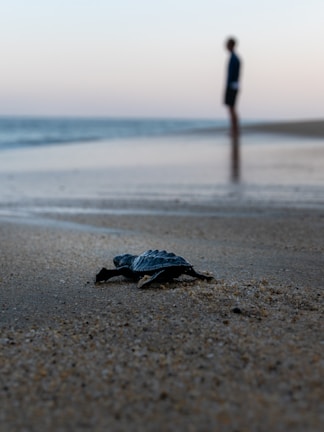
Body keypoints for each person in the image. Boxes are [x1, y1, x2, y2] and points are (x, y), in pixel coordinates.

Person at [224, 37, 241, 137]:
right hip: (233, 84)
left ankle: (235, 130)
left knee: (232, 108)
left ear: (231, 45)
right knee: (231, 108)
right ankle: (234, 129)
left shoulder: (234, 58)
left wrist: (232, 84)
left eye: (227, 44)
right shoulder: (234, 57)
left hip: (232, 85)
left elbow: (234, 74)